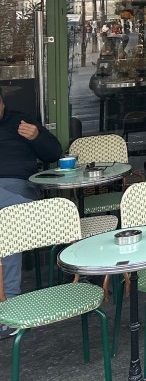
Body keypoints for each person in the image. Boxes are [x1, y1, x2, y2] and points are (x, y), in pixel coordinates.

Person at [0, 91, 62, 338]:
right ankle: (9, 304)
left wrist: (37, 137)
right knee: (9, 218)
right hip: (15, 203)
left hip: (20, 186)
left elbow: (54, 153)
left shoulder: (21, 121)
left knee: (7, 218)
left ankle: (8, 303)